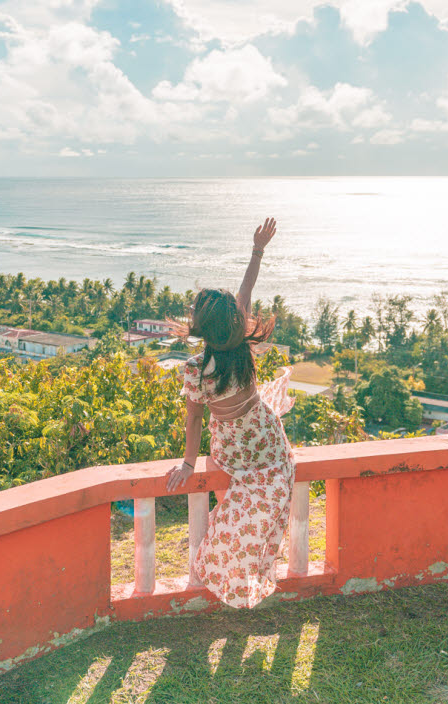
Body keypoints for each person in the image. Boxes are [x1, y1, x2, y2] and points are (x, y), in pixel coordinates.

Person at [164, 217, 296, 609]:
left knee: (234, 510)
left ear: (203, 327)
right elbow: (247, 286)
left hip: (234, 446)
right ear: (233, 322)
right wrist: (258, 249)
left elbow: (194, 420)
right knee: (260, 498)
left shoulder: (194, 368)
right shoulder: (242, 344)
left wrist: (189, 463)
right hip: (266, 434)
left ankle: (227, 574)